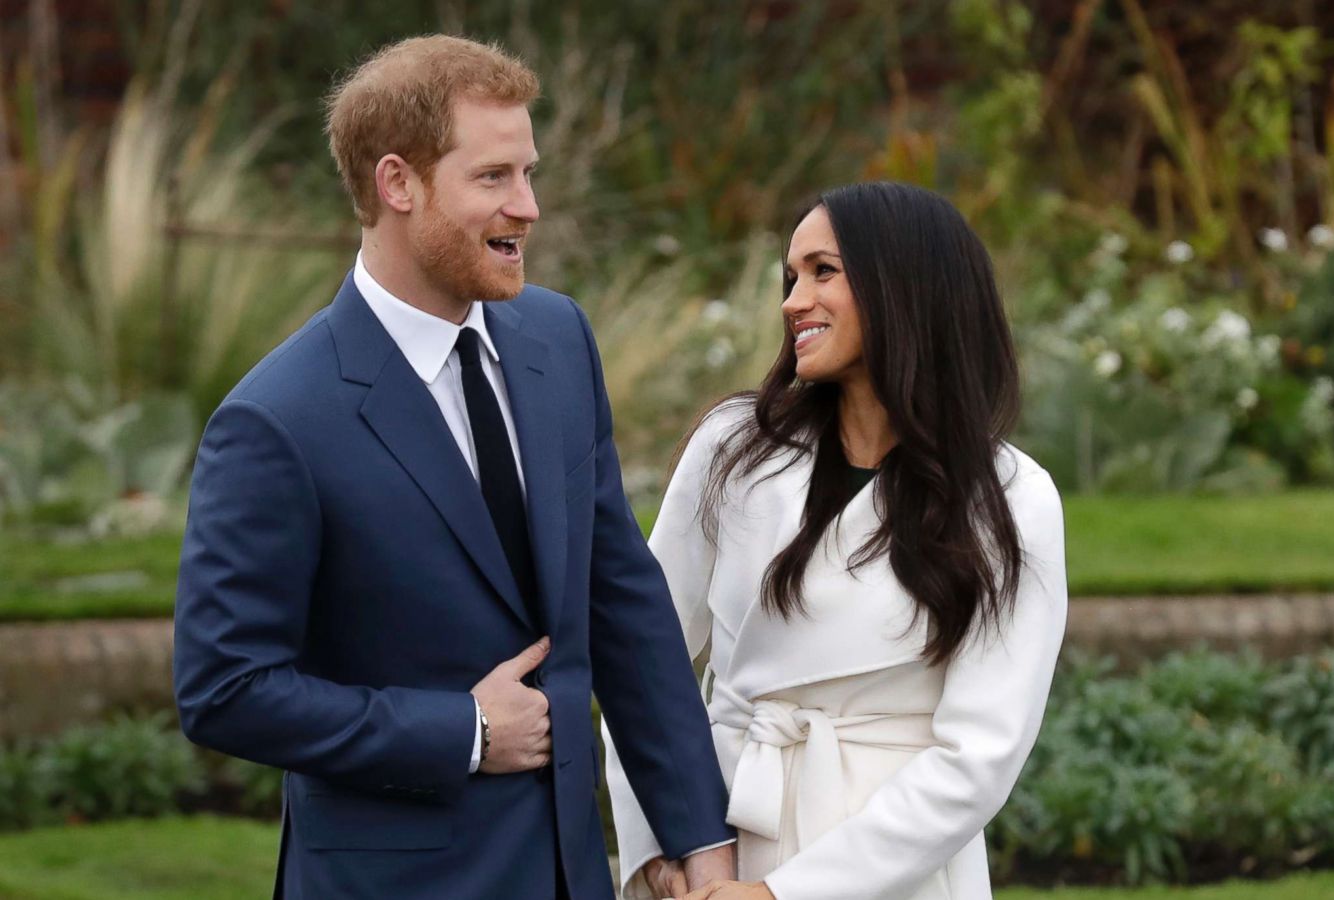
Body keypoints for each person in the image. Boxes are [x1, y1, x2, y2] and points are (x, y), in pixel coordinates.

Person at [172, 35, 734, 899]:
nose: (529, 206)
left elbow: (622, 604)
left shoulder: (558, 340)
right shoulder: (276, 419)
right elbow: (225, 688)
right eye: (495, 178)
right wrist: (462, 730)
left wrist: (701, 840)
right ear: (398, 183)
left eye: (529, 172)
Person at [605, 182, 1069, 900]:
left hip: (893, 872)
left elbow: (979, 757)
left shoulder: (1009, 498)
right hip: (716, 851)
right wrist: (660, 851)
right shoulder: (734, 450)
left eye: (824, 272)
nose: (793, 301)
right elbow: (642, 656)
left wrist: (783, 894)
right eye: (791, 277)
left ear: (904, 287)